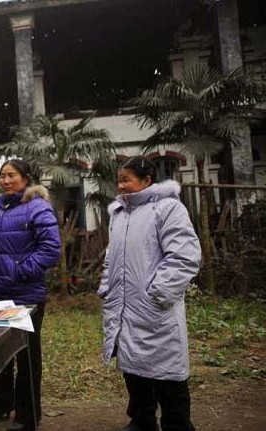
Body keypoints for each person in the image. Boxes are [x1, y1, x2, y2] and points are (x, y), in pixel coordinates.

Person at [98, 156, 201, 431]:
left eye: (127, 180)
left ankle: (177, 425)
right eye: (119, 180)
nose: (121, 185)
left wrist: (157, 294)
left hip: (154, 310)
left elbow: (184, 256)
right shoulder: (119, 214)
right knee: (133, 371)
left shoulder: (168, 209)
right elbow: (111, 257)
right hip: (124, 309)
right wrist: (106, 286)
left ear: (146, 181)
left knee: (168, 378)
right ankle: (142, 422)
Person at [0, 159, 61, 431]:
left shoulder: (38, 207)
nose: (6, 181)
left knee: (27, 357)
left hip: (27, 296)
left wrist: (19, 271)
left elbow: (50, 249)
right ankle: (0, 407)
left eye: (12, 175)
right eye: (2, 176)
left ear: (26, 178)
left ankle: (27, 416)